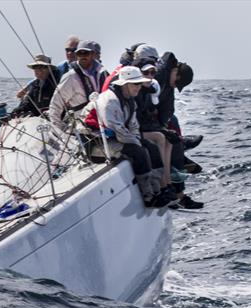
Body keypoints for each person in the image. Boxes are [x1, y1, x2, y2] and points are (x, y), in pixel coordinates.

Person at [96, 66, 173, 208]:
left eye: (140, 83)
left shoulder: (130, 99)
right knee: (139, 152)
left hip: (120, 138)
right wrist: (136, 142)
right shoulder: (109, 101)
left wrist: (137, 138)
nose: (139, 87)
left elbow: (133, 125)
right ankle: (148, 197)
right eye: (136, 84)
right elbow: (116, 128)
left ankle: (159, 190)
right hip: (99, 143)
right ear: (125, 84)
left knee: (151, 147)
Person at [155, 53, 204, 209]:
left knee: (172, 130)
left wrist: (164, 125)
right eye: (177, 83)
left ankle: (181, 149)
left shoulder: (167, 80)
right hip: (143, 122)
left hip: (153, 121)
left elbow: (167, 109)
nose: (175, 86)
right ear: (175, 72)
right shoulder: (159, 76)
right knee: (170, 140)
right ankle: (177, 192)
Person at [48, 40, 108, 131]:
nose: (83, 56)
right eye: (80, 53)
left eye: (86, 53)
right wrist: (58, 129)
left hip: (104, 123)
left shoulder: (103, 73)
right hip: (82, 126)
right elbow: (55, 104)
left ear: (93, 54)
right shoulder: (71, 77)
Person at [16, 35, 78, 100]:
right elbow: (42, 77)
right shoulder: (62, 66)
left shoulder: (87, 67)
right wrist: (27, 87)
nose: (69, 53)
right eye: (67, 50)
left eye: (73, 50)